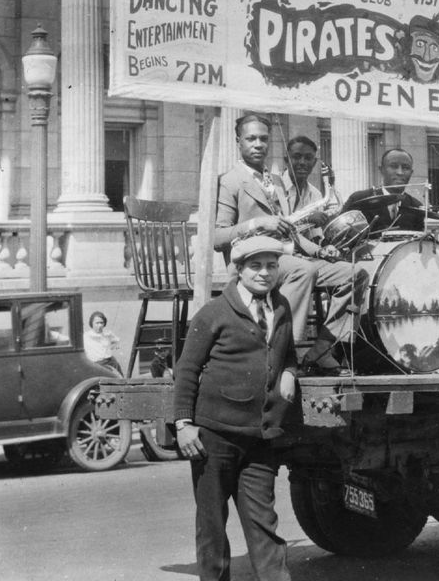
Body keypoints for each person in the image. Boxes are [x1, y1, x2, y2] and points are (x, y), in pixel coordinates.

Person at [173, 235, 299, 581]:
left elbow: (288, 353)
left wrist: (289, 371)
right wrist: (183, 424)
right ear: (239, 270)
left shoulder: (282, 307)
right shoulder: (214, 313)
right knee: (212, 526)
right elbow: (187, 370)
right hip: (214, 437)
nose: (264, 273)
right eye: (256, 266)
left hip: (259, 437)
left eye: (271, 266)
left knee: (265, 528)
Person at [213, 113, 365, 376]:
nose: (258, 144)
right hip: (251, 263)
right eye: (251, 139)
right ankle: (286, 355)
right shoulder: (230, 180)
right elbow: (217, 238)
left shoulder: (275, 181)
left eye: (263, 139)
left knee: (354, 273)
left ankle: (322, 350)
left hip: (287, 257)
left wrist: (319, 250)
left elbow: (291, 231)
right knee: (302, 270)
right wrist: (259, 224)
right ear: (238, 142)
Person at [343, 147, 430, 237]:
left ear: (411, 172)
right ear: (381, 170)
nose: (400, 172)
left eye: (405, 168)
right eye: (393, 166)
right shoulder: (359, 199)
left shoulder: (416, 206)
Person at [83, 311, 122, 375]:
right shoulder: (86, 336)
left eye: (102, 323)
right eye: (97, 323)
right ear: (91, 323)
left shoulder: (107, 334)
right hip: (97, 364)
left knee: (119, 378)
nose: (100, 325)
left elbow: (117, 340)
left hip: (111, 362)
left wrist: (115, 345)